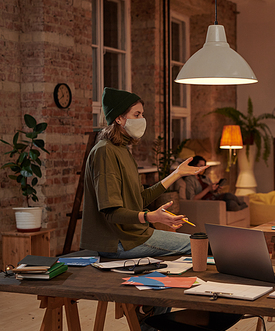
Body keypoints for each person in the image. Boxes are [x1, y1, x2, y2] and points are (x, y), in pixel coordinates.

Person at [80, 87, 208, 259]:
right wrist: (151, 217)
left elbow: (139, 200)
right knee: (200, 244)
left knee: (201, 243)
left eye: (142, 114)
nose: (142, 119)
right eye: (137, 114)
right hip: (120, 241)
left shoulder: (122, 149)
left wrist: (177, 174)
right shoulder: (105, 152)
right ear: (119, 118)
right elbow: (111, 213)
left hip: (134, 236)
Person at [182, 155, 248, 211]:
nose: (203, 168)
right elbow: (192, 199)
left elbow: (211, 191)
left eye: (204, 166)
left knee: (228, 195)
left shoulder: (204, 177)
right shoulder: (189, 179)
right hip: (206, 202)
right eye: (201, 165)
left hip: (213, 198)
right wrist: (208, 189)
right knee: (231, 204)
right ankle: (241, 207)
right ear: (194, 165)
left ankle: (241, 204)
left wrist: (215, 189)